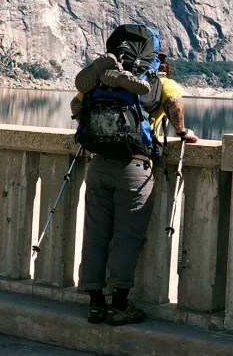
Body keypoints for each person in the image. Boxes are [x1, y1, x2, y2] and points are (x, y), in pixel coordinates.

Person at [72, 48, 198, 326]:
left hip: (98, 165)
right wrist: (181, 131)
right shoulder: (161, 82)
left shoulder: (103, 80)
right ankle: (119, 305)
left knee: (95, 234)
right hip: (134, 168)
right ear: (161, 64)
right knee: (127, 237)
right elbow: (175, 105)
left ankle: (94, 304)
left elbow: (76, 106)